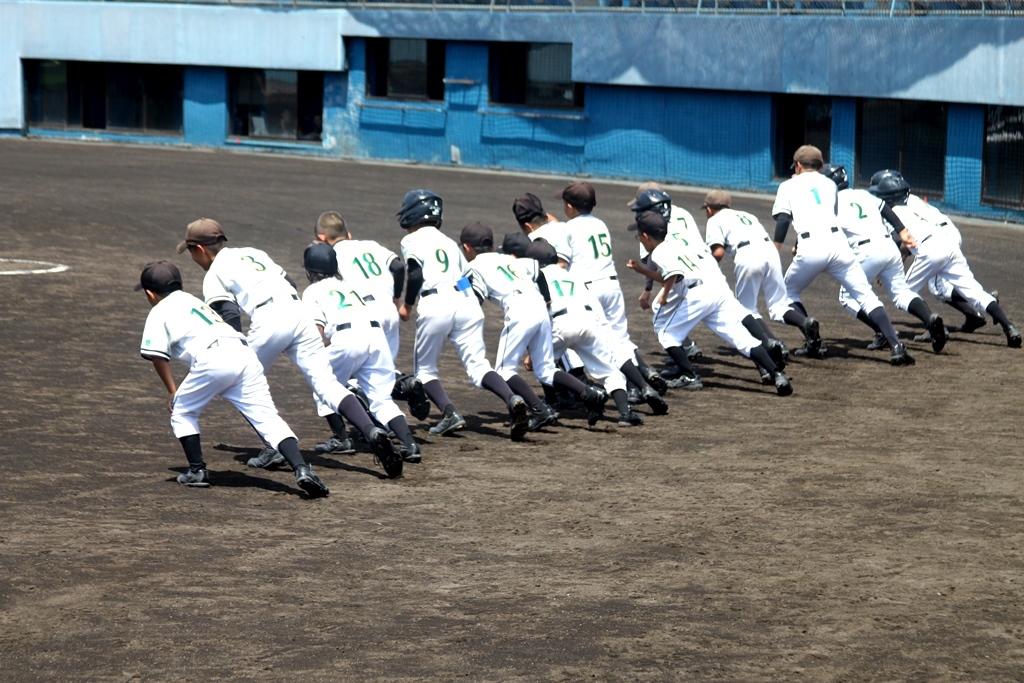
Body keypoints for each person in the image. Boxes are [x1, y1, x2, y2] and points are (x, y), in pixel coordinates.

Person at [177, 217, 404, 477]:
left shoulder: (215, 273)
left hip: (269, 319)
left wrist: (236, 349)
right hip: (299, 312)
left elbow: (228, 313)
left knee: (240, 381)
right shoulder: (253, 253)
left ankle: (273, 447)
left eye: (191, 251)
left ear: (200, 249)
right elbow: (291, 283)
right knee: (327, 384)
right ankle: (370, 429)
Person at [136, 260, 329, 496]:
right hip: (244, 354)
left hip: (213, 358)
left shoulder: (159, 310)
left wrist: (171, 391)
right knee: (268, 418)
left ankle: (197, 470)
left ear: (150, 293)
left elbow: (157, 356)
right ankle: (302, 468)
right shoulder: (194, 301)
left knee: (182, 412)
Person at [396, 190, 530, 440]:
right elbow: (466, 277)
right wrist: (463, 300)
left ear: (412, 215)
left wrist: (407, 305)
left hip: (436, 303)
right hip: (466, 302)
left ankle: (450, 413)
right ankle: (511, 398)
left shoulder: (411, 240)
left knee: (425, 370)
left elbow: (414, 274)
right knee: (478, 366)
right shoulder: (449, 242)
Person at [771, 145, 914, 366]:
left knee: (786, 294)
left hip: (810, 246)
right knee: (866, 296)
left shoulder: (788, 186)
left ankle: (811, 334)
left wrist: (776, 249)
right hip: (839, 246)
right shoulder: (830, 185)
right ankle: (896, 346)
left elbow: (783, 219)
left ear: (798, 165)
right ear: (821, 166)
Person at [626, 211, 793, 396]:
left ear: (646, 236)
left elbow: (673, 274)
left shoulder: (658, 252)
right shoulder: (679, 243)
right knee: (743, 339)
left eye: (638, 236)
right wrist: (641, 270)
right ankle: (777, 374)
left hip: (698, 294)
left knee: (666, 333)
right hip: (716, 291)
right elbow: (670, 274)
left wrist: (664, 294)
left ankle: (690, 377)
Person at [460, 223, 607, 430]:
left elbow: (474, 299)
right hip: (540, 306)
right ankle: (588, 393)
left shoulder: (473, 267)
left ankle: (539, 410)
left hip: (519, 309)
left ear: (467, 248)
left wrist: (459, 286)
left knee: (504, 370)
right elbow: (537, 272)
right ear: (491, 245)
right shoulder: (509, 259)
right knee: (545, 369)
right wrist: (546, 299)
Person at [313, 210, 430, 447]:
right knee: (379, 371)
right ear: (348, 234)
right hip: (387, 309)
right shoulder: (370, 245)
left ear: (322, 238)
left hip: (362, 311)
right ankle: (403, 386)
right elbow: (398, 266)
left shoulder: (330, 256)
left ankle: (356, 431)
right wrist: (396, 298)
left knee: (358, 374)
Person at [301, 242, 422, 464]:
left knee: (323, 386)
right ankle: (410, 444)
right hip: (375, 336)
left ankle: (341, 439)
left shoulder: (312, 291)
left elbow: (317, 332)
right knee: (381, 398)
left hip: (347, 338)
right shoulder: (349, 286)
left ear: (310, 270)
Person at [869, 172, 1021, 348]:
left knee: (902, 294)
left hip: (930, 249)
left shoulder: (892, 212)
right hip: (949, 244)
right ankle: (1009, 326)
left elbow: (897, 240)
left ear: (887, 196)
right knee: (975, 292)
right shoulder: (913, 204)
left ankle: (930, 324)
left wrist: (886, 267)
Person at [555, 181, 668, 398]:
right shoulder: (600, 224)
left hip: (587, 290)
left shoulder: (567, 228)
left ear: (569, 207)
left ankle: (590, 386)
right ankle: (638, 378)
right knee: (619, 339)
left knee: (582, 339)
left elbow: (562, 263)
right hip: (611, 285)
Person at [820, 164, 948, 353]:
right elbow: (885, 208)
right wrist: (902, 231)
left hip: (865, 251)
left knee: (847, 297)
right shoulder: (862, 194)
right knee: (901, 292)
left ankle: (883, 331)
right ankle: (929, 319)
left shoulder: (830, 203)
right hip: (889, 246)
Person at [521, 239, 643, 427]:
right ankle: (625, 413)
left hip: (559, 324)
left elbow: (535, 314)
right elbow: (593, 303)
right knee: (607, 369)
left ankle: (553, 403)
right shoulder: (572, 275)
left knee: (543, 365)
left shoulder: (535, 279)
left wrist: (531, 350)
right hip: (588, 320)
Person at [702, 189, 791, 364]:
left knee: (745, 310)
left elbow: (718, 252)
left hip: (749, 255)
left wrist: (705, 270)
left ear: (709, 209)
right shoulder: (746, 215)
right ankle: (803, 324)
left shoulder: (714, 220)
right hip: (770, 252)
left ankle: (772, 343)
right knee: (779, 304)